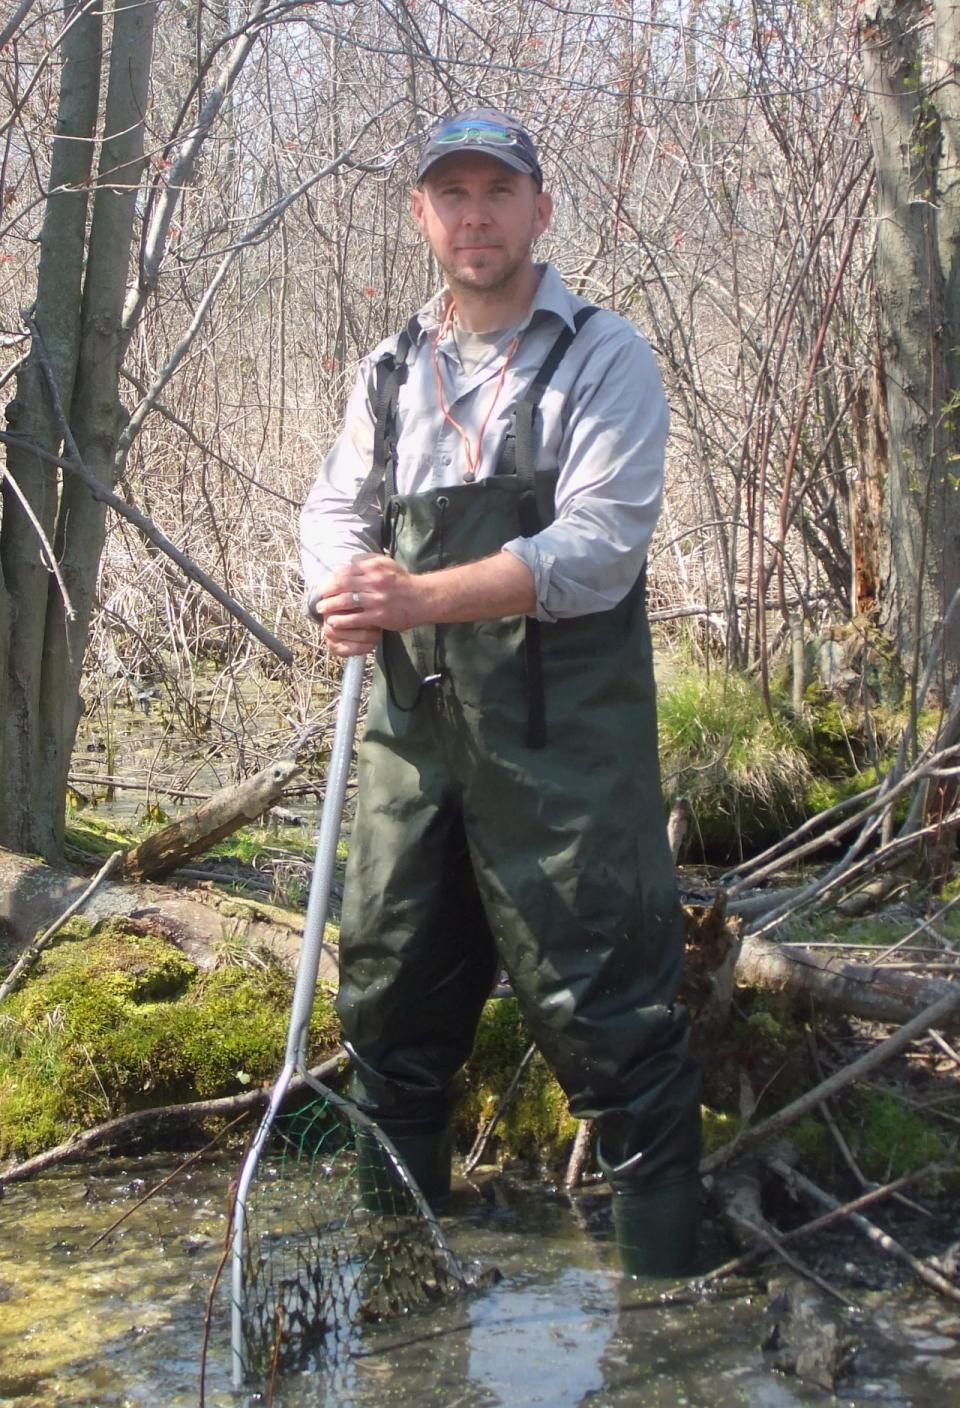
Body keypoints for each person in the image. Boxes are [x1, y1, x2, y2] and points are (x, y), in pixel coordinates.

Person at [300, 109, 701, 1276]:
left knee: (612, 1011)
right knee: (387, 994)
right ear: (422, 214)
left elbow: (600, 548)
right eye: (452, 195)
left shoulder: (602, 354)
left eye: (498, 192)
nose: (475, 215)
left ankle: (665, 1319)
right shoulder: (387, 372)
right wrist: (343, 587)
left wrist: (418, 596)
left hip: (563, 739)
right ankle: (402, 1300)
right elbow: (333, 509)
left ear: (540, 207)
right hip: (412, 733)